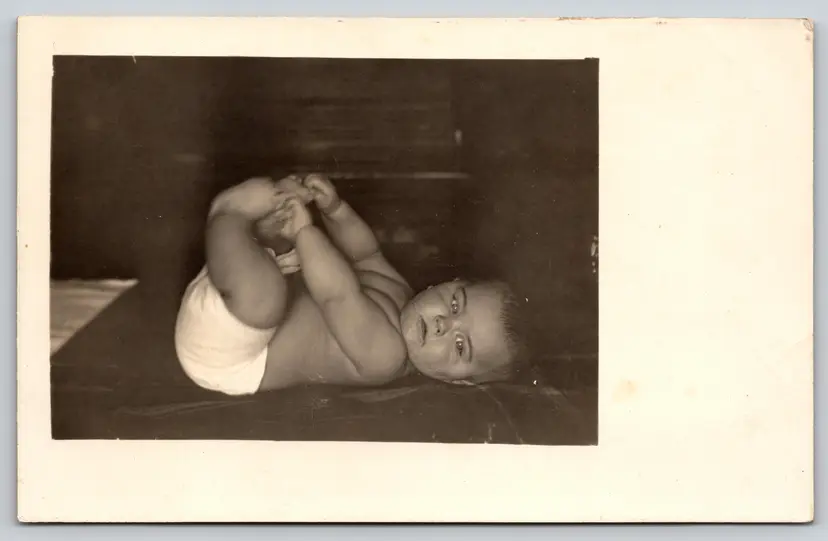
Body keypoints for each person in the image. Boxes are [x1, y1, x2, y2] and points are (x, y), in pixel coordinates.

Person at [174, 174, 528, 396]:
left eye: (460, 345)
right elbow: (365, 254)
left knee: (267, 296)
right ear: (450, 283)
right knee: (280, 241)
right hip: (246, 291)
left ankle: (227, 216)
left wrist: (305, 232)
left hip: (227, 350)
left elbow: (337, 296)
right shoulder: (401, 293)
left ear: (457, 380)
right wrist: (337, 211)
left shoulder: (386, 357)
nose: (443, 325)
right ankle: (239, 235)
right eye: (454, 306)